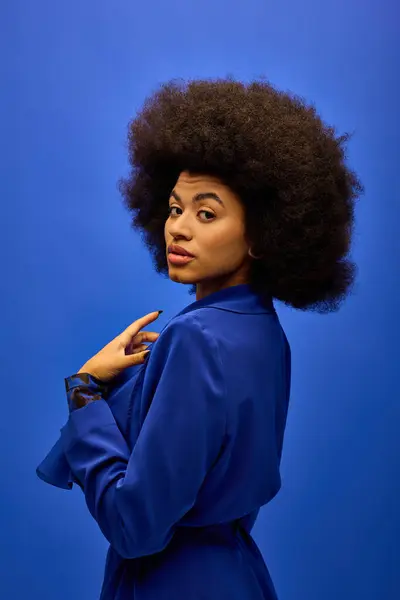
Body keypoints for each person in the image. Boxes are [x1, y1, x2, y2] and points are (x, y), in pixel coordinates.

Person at [36, 77, 363, 599]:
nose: (178, 229)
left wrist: (84, 390)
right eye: (173, 208)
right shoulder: (263, 331)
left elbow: (135, 527)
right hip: (235, 575)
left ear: (262, 235)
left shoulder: (195, 339)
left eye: (206, 213)